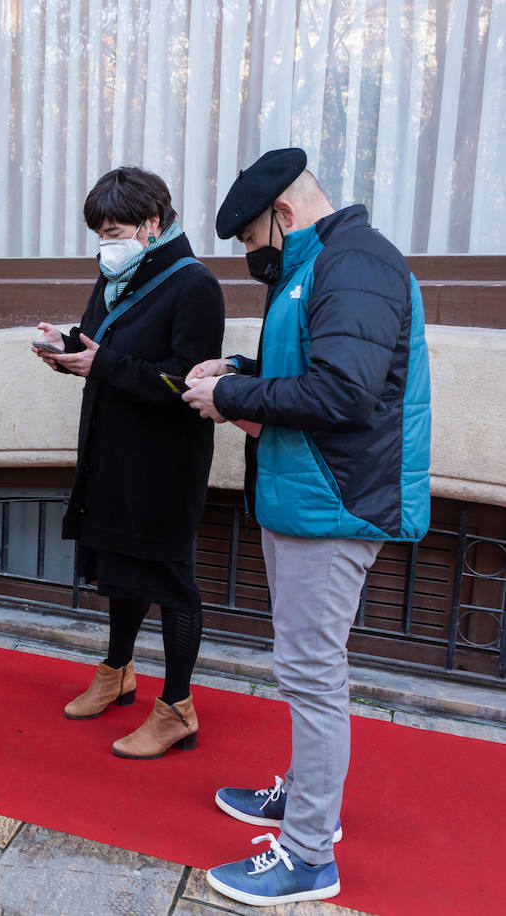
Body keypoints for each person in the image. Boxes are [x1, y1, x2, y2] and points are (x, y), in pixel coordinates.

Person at [182, 148, 430, 906]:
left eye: (254, 243)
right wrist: (237, 371)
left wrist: (233, 400)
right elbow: (313, 371)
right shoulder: (324, 262)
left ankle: (309, 857)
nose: (253, 259)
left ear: (283, 217)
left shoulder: (354, 265)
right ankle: (307, 798)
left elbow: (345, 393)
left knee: (312, 676)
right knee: (305, 668)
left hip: (335, 506)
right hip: (310, 497)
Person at [34, 167, 224, 758]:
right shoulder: (119, 272)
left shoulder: (195, 285)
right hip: (112, 448)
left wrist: (103, 366)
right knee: (121, 566)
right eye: (99, 234)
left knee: (169, 580)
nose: (105, 245)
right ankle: (118, 672)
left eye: (114, 231)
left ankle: (177, 707)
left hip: (164, 460)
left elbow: (190, 381)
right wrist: (65, 349)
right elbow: (100, 343)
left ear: (153, 223)